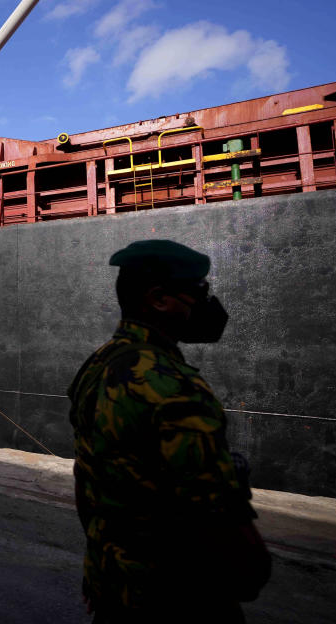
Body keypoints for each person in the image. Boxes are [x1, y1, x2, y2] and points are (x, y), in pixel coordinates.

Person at [67, 240, 271, 624]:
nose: (206, 304)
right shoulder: (174, 386)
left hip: (114, 590)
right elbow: (216, 514)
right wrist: (251, 572)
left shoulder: (97, 366)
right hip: (178, 601)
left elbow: (87, 476)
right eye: (198, 293)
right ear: (159, 300)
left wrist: (102, 567)